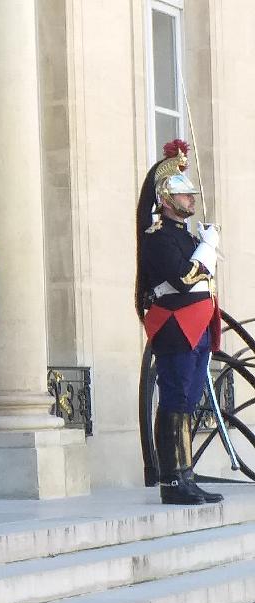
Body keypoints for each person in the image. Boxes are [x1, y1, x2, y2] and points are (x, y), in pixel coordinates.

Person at [135, 139, 223, 505]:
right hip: (175, 325)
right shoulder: (158, 237)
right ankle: (172, 480)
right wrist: (208, 248)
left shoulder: (186, 236)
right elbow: (184, 277)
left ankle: (185, 474)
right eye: (185, 195)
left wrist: (202, 244)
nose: (191, 199)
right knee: (175, 398)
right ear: (167, 199)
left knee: (188, 400)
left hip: (196, 324)